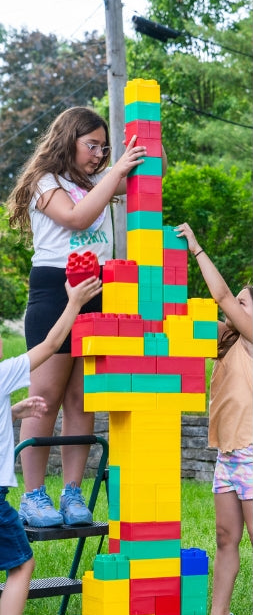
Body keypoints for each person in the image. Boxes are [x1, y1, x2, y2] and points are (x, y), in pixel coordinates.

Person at [3, 107, 149, 527]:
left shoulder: (93, 183)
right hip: (55, 288)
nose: (99, 155)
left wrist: (140, 145)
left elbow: (149, 173)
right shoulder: (45, 182)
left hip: (99, 289)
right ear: (68, 139)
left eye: (104, 148)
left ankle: (71, 493)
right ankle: (32, 495)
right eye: (92, 145)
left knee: (81, 397)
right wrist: (115, 171)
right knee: (45, 395)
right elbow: (75, 217)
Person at [1, 278, 103, 615]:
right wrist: (74, 302)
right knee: (22, 564)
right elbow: (46, 347)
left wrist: (10, 414)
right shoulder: (5, 372)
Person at [174, 223, 253, 615]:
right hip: (229, 456)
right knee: (226, 538)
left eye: (244, 303)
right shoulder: (229, 341)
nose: (233, 309)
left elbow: (220, 296)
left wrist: (197, 248)